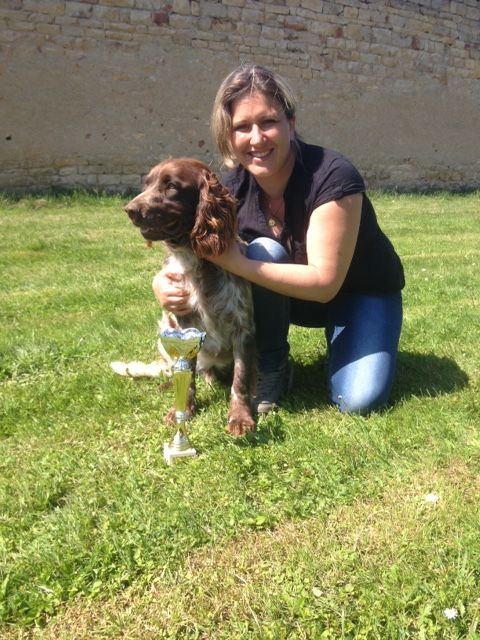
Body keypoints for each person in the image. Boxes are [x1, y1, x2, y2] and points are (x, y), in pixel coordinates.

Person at [153, 64, 405, 415]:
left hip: (359, 293)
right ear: (229, 135)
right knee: (266, 251)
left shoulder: (332, 175)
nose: (256, 138)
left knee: (359, 399)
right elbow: (195, 244)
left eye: (268, 122)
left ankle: (352, 341)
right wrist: (164, 281)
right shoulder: (229, 191)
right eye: (242, 127)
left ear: (291, 122)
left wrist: (237, 261)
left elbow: (324, 285)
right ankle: (273, 365)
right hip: (288, 301)